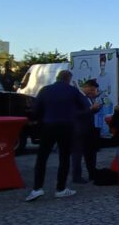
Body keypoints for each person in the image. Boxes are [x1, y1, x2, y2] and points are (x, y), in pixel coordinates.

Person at [27, 70, 88, 202]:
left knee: (42, 157)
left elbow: (36, 108)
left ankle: (37, 188)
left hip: (48, 125)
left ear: (57, 77)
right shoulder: (72, 90)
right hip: (66, 126)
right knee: (64, 157)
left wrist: (36, 119)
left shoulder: (45, 90)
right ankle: (60, 188)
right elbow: (85, 105)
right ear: (69, 79)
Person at [71, 80, 103, 184]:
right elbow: (75, 113)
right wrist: (90, 109)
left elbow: (90, 111)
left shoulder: (89, 97)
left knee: (91, 153)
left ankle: (92, 173)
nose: (93, 92)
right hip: (79, 130)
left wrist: (96, 108)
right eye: (92, 90)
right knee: (78, 154)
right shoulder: (77, 97)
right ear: (87, 87)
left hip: (89, 129)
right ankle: (77, 176)